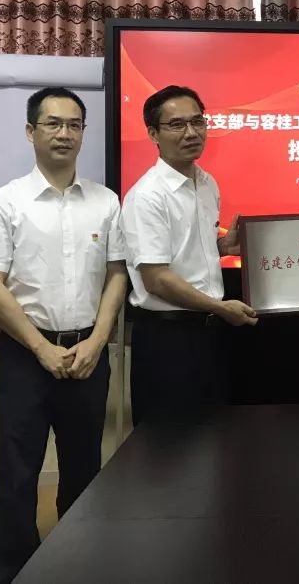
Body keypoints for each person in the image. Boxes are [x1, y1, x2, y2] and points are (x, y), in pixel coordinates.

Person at [0, 87, 127, 584]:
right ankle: (12, 573)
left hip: (87, 351)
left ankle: (78, 566)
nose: (64, 133)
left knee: (84, 469)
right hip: (25, 353)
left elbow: (117, 274)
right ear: (30, 131)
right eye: (53, 123)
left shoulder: (106, 201)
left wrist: (98, 341)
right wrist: (39, 347)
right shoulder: (5, 202)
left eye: (74, 124)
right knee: (18, 472)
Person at [120, 85, 255, 424]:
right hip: (168, 339)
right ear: (153, 133)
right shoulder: (148, 196)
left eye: (198, 122)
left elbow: (185, 253)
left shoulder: (207, 183)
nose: (192, 133)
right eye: (177, 125)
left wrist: (223, 248)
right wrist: (219, 307)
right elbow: (157, 279)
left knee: (213, 436)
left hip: (209, 335)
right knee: (168, 443)